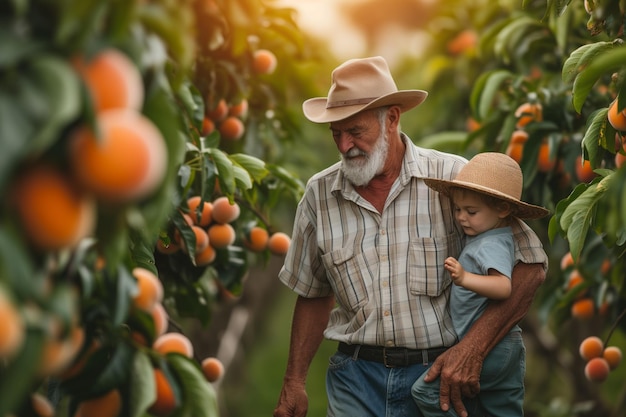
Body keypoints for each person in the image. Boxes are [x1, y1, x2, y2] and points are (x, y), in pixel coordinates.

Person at [272, 56, 548, 417]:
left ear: (392, 118)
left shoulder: (453, 179)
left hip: (437, 376)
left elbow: (531, 265)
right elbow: (312, 293)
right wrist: (293, 382)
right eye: (336, 133)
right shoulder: (320, 195)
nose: (344, 146)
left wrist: (474, 349)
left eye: (355, 131)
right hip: (355, 377)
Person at [411, 152, 549, 416]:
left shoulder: (491, 243)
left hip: (494, 348)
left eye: (471, 211)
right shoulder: (490, 236)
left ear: (502, 209)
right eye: (457, 209)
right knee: (501, 409)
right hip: (506, 344)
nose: (462, 218)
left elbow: (503, 287)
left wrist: (465, 278)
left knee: (426, 393)